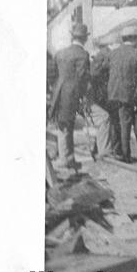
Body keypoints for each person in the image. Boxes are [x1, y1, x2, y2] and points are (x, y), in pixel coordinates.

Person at [48, 23, 91, 169]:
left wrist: (56, 88)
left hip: (58, 93)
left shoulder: (60, 53)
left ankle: (69, 157)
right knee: (67, 126)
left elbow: (52, 75)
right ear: (84, 39)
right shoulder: (83, 55)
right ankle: (64, 159)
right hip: (72, 94)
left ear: (72, 37)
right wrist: (83, 97)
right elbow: (82, 78)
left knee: (63, 125)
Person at [106, 26, 137, 162]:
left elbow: (105, 71)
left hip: (112, 94)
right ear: (134, 39)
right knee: (125, 124)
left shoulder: (113, 53)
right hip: (128, 95)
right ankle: (126, 156)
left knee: (114, 122)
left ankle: (116, 151)